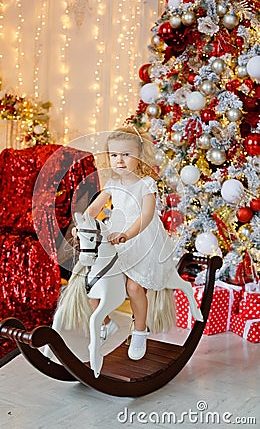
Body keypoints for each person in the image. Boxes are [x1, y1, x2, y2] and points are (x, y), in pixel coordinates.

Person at [84, 125, 180, 361]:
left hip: (142, 238)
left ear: (139, 155)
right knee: (93, 286)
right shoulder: (112, 184)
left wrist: (128, 234)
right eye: (114, 155)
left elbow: (146, 216)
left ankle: (139, 331)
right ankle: (106, 323)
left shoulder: (146, 184)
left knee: (134, 287)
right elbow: (95, 208)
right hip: (117, 237)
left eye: (126, 154)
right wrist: (84, 223)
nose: (119, 160)